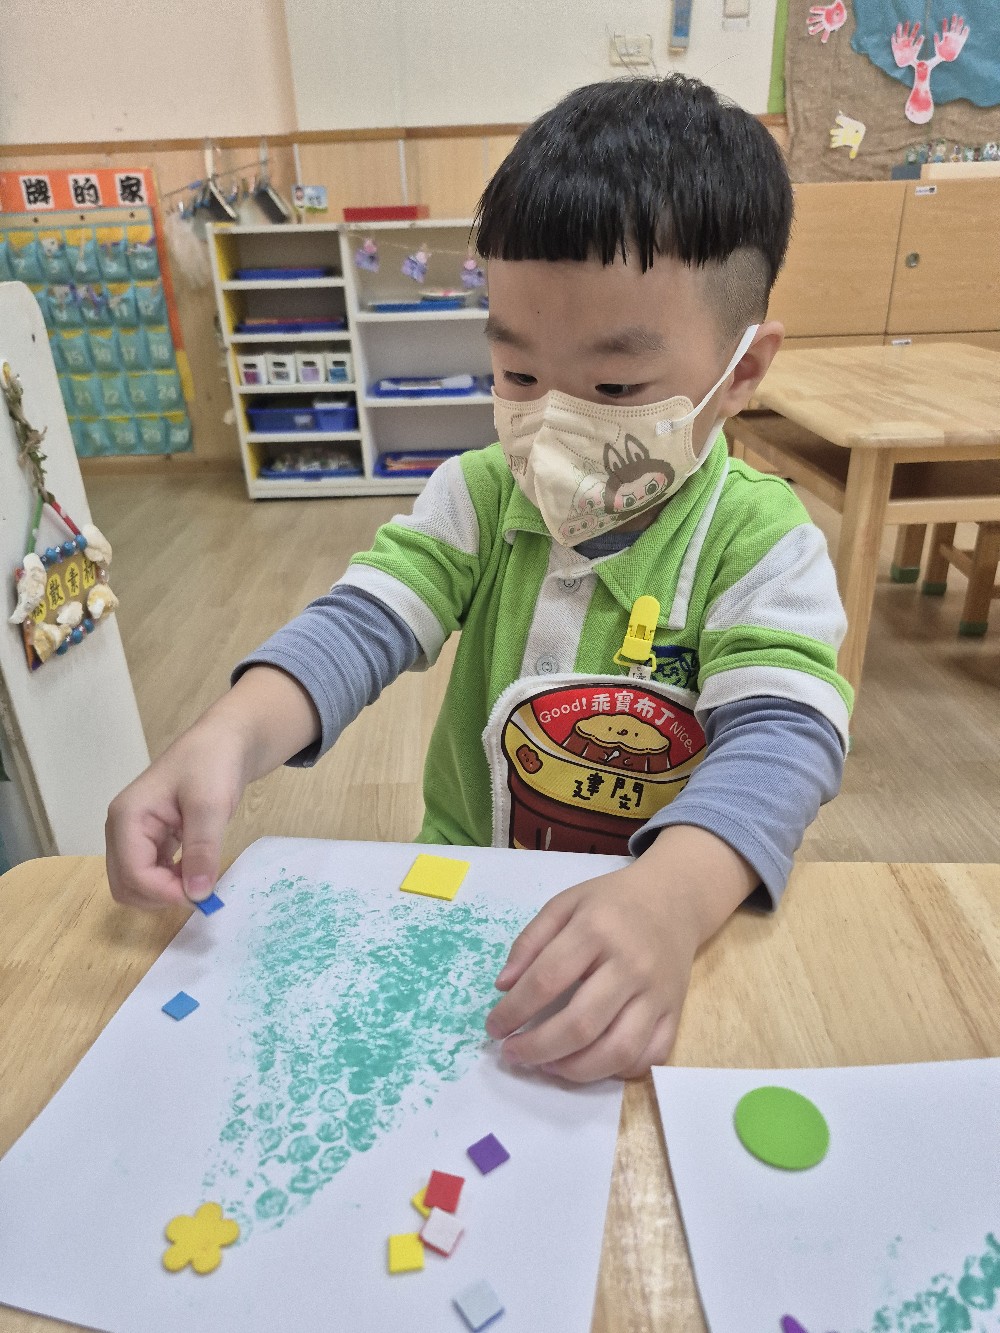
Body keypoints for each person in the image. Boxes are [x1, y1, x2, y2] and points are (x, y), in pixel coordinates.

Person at [107, 74, 851, 1085]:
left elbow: (784, 737)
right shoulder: (479, 493)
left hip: (666, 921)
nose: (552, 421)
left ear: (744, 371)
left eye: (614, 385)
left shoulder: (760, 543)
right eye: (518, 374)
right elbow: (365, 622)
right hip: (466, 896)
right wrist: (228, 733)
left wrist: (672, 899)